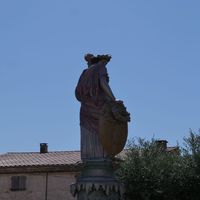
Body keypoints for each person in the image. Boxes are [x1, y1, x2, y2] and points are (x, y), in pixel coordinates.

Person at [75, 54, 115, 161]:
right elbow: (103, 83)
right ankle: (104, 156)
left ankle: (88, 157)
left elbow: (77, 94)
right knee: (103, 130)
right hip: (98, 106)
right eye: (106, 63)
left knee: (87, 132)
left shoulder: (84, 73)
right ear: (101, 61)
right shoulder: (100, 67)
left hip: (85, 109)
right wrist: (113, 98)